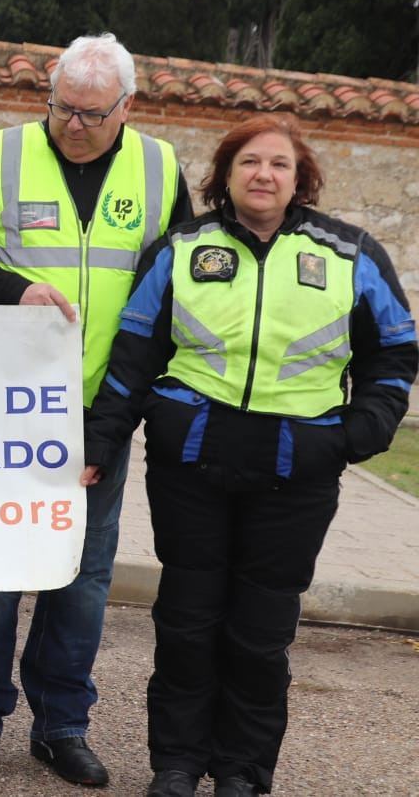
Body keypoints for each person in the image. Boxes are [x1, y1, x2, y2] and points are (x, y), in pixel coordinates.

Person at [82, 114, 416, 797]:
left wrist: (359, 434)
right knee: (186, 624)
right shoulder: (181, 248)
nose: (264, 175)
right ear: (225, 175)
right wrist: (100, 439)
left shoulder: (350, 253)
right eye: (249, 163)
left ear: (300, 179)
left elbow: (396, 352)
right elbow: (134, 356)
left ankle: (242, 769)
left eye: (279, 165)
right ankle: (175, 764)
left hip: (297, 474)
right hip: (191, 468)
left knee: (261, 638)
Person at [0, 32, 191, 786]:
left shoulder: (160, 168)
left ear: (126, 108)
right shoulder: (4, 152)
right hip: (9, 407)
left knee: (82, 576)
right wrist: (14, 290)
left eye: (90, 114)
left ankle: (62, 724)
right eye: (61, 109)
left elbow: (173, 291)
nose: (72, 126)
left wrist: (123, 408)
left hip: (104, 408)